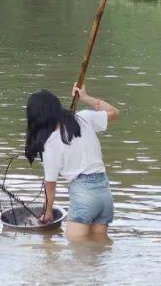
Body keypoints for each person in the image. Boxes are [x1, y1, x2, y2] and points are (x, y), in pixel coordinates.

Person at [25, 85, 119, 242]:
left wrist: (47, 214)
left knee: (76, 255)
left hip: (84, 197)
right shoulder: (84, 118)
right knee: (99, 250)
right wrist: (86, 97)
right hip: (105, 194)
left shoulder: (50, 144)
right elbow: (114, 113)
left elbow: (50, 187)